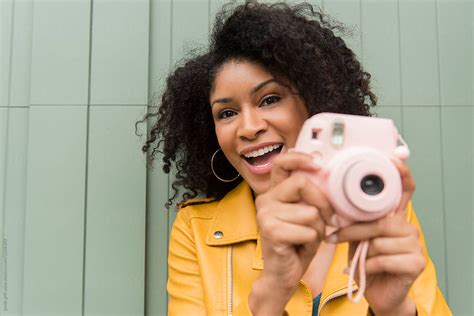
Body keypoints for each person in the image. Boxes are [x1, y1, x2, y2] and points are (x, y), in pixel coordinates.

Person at [140, 2, 451, 315]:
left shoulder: (376, 209)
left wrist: (395, 309)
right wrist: (271, 295)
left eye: (270, 99)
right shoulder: (195, 229)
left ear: (314, 104)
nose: (248, 128)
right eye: (227, 113)